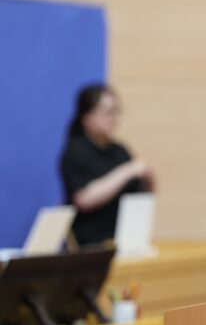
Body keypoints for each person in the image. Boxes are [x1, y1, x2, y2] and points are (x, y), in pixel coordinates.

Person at [60, 84, 155, 246]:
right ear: (87, 117)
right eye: (107, 112)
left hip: (124, 238)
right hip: (90, 242)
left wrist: (149, 180)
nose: (113, 118)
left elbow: (140, 196)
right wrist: (127, 171)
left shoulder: (120, 151)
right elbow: (83, 199)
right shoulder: (75, 152)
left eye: (116, 111)